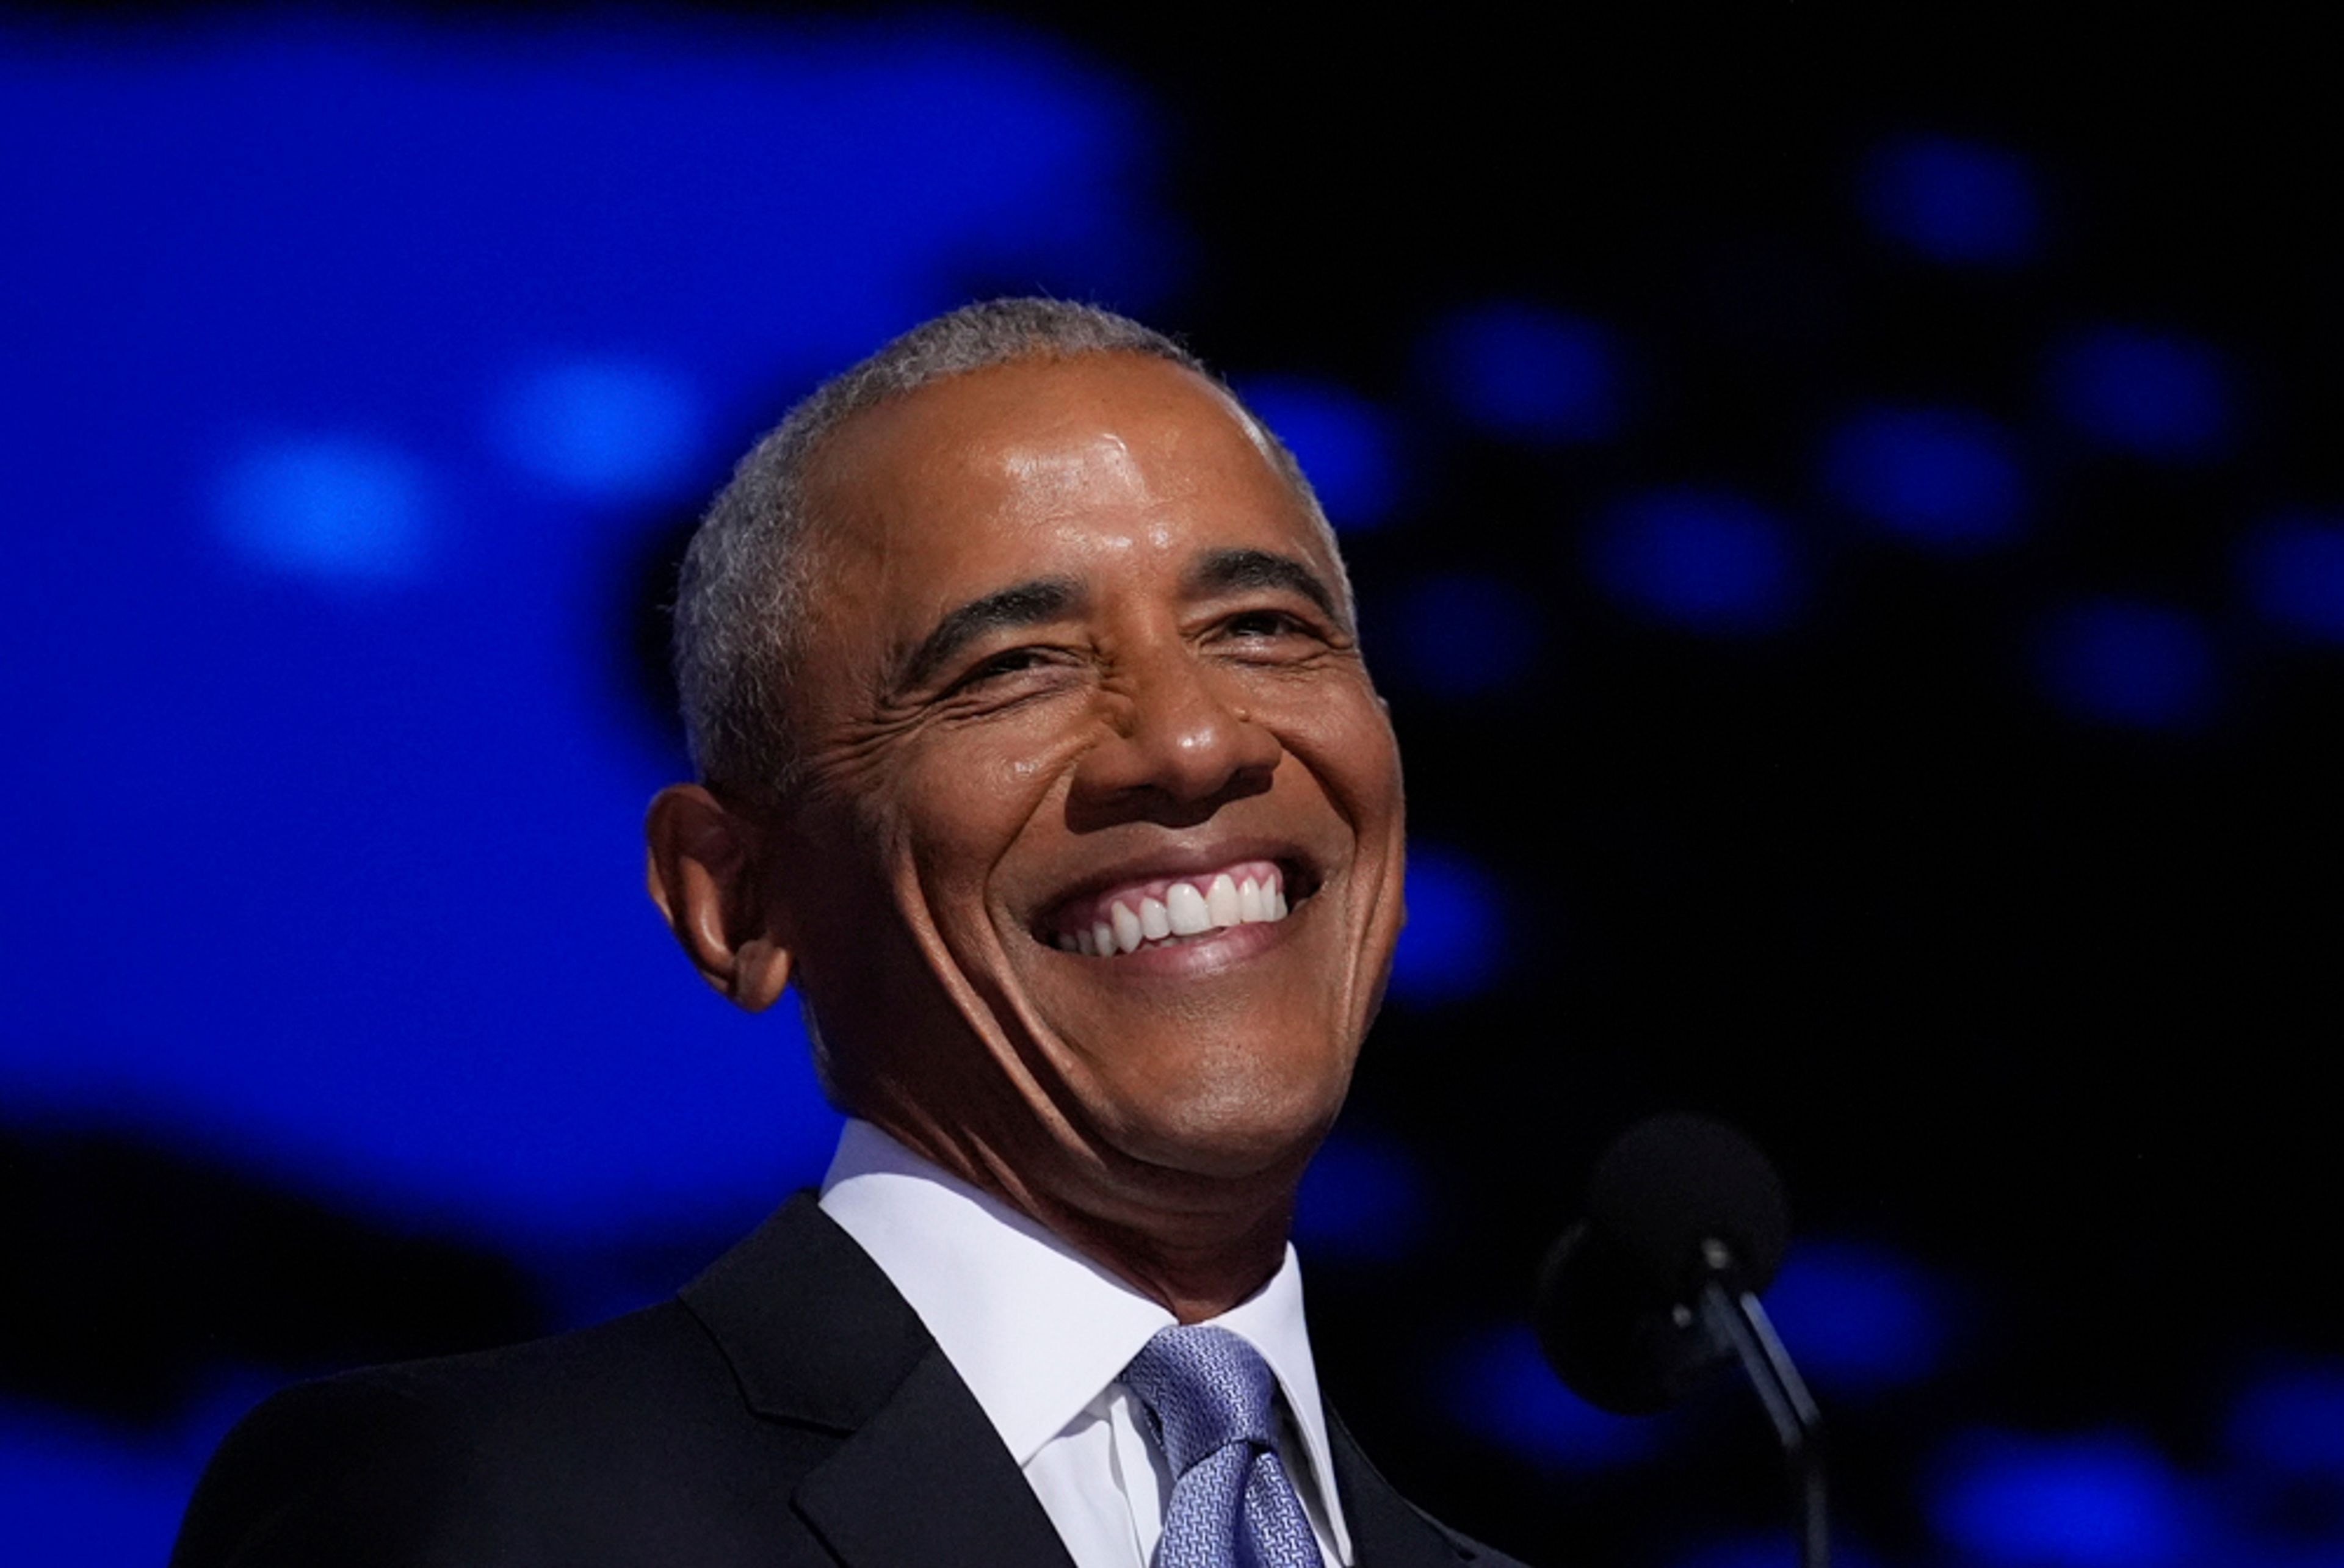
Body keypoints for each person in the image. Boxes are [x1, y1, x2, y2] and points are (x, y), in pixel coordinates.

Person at [170, 299, 1528, 1567]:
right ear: (736, 899)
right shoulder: (477, 1507)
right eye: (1014, 668)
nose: (1191, 739)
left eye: (1264, 626)